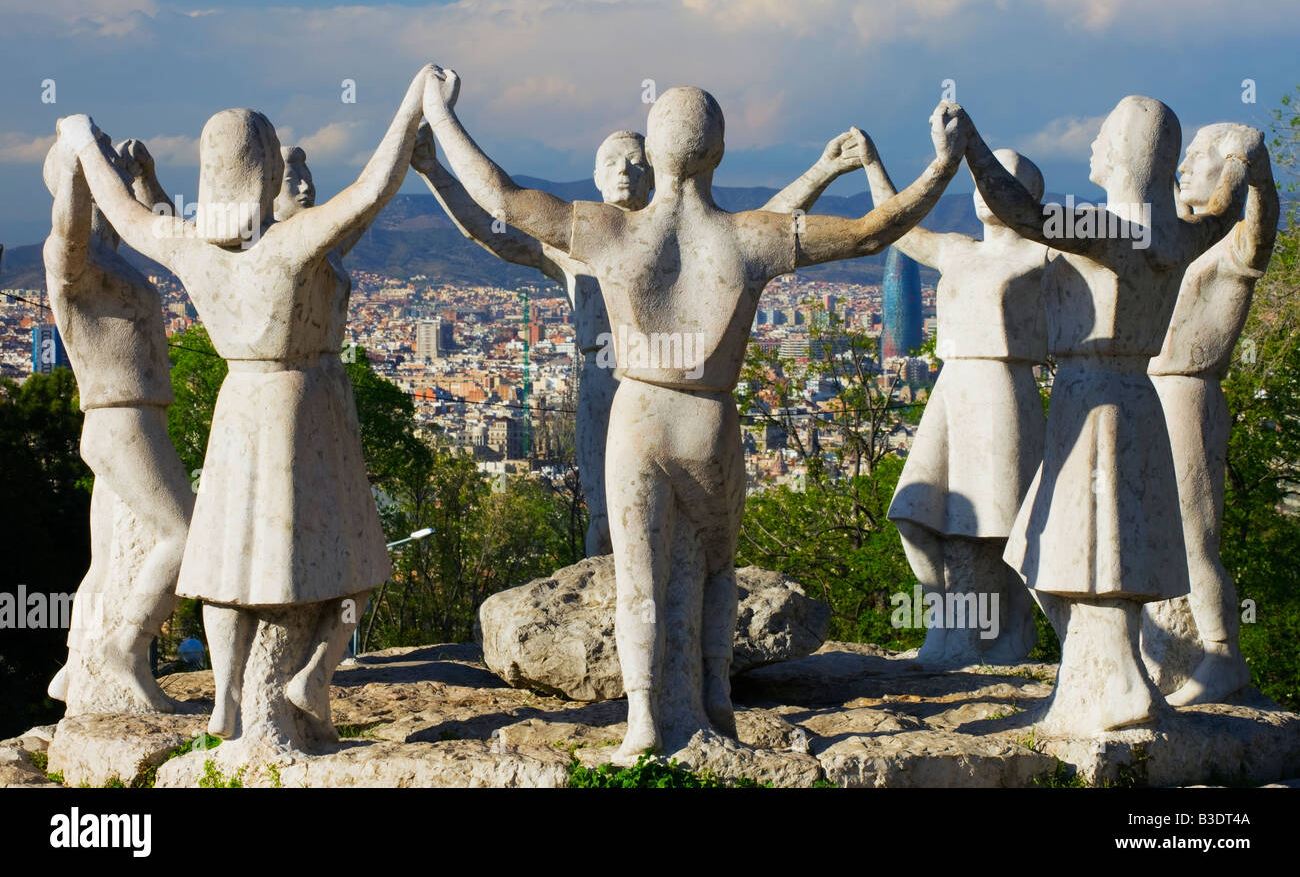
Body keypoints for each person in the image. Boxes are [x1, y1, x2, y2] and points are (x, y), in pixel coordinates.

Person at [425, 68, 969, 758]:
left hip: (639, 412)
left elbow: (498, 195)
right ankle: (714, 699)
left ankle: (646, 718)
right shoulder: (749, 235)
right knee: (717, 571)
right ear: (718, 154)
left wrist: (441, 117)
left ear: (653, 155)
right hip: (710, 419)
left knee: (638, 582)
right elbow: (871, 232)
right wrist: (942, 165)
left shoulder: (608, 232)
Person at [58, 63, 434, 746]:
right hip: (299, 403)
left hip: (238, 406)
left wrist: (83, 142)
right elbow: (374, 189)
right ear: (264, 171)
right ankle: (312, 674)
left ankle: (227, 704)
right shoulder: (290, 242)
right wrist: (413, 108)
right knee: (344, 560)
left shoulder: (192, 249)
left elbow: (123, 213)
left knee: (227, 570)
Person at [410, 122, 870, 556]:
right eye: (611, 163)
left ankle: (668, 607)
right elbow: (491, 228)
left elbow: (766, 226)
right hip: (602, 385)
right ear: (595, 178)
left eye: (634, 161)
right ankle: (611, 606)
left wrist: (822, 170)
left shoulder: (684, 236)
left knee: (681, 519)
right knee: (607, 514)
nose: (624, 170)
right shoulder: (572, 243)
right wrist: (433, 170)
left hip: (672, 392)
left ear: (654, 172)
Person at [962, 96, 1256, 733]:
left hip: (1090, 394)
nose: (1092, 143)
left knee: (1091, 548)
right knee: (1090, 547)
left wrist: (971, 147)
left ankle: (1117, 680)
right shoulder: (1179, 233)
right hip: (1134, 397)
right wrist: (1238, 162)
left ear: (1128, 150)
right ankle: (1103, 676)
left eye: (1103, 134)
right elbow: (1227, 208)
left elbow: (1024, 213)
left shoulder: (1104, 227)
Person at [856, 129, 1045, 665]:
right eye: (980, 177)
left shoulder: (1043, 258)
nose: (984, 188)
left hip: (1002, 392)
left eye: (998, 178)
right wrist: (872, 163)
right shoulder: (958, 250)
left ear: (1026, 194)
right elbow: (899, 224)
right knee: (922, 517)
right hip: (952, 390)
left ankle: (969, 636)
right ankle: (967, 626)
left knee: (982, 524)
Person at [41, 131, 193, 712]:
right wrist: (83, 153)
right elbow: (71, 225)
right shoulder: (68, 259)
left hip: (128, 418)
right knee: (185, 535)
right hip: (121, 419)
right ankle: (126, 648)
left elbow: (183, 247)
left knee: (105, 561)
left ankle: (75, 661)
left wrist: (142, 182)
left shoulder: (114, 257)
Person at [1148, 122, 1277, 705]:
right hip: (1153, 392)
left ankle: (1221, 653)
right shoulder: (1187, 241)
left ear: (1229, 166)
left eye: (1196, 158)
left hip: (1188, 393)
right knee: (1157, 530)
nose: (1183, 167)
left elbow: (1260, 226)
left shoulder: (1233, 243)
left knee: (1194, 535)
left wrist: (1258, 176)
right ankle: (1164, 655)